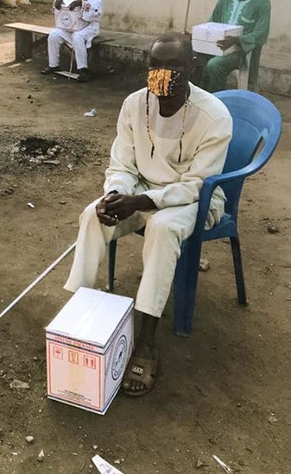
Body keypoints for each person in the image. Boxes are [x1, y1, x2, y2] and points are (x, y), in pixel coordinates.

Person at [64, 32, 232, 396]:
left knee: (163, 227)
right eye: (156, 65)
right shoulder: (134, 104)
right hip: (139, 190)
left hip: (193, 201)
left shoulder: (214, 117)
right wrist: (116, 193)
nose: (162, 74)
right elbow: (122, 162)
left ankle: (146, 342)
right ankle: (77, 315)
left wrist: (141, 203)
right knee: (93, 213)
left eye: (174, 66)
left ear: (193, 68)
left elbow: (196, 186)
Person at [201, 0, 270, 92]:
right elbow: (211, 23)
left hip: (240, 52)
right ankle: (199, 95)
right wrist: (197, 35)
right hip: (217, 46)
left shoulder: (262, 2)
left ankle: (218, 99)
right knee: (192, 57)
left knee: (214, 65)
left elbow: (261, 33)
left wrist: (237, 40)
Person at [41, 0, 103, 82]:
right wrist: (59, 2)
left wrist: (81, 3)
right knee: (54, 34)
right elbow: (66, 0)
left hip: (89, 26)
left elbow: (97, 11)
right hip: (73, 25)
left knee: (77, 37)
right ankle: (53, 65)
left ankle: (83, 70)